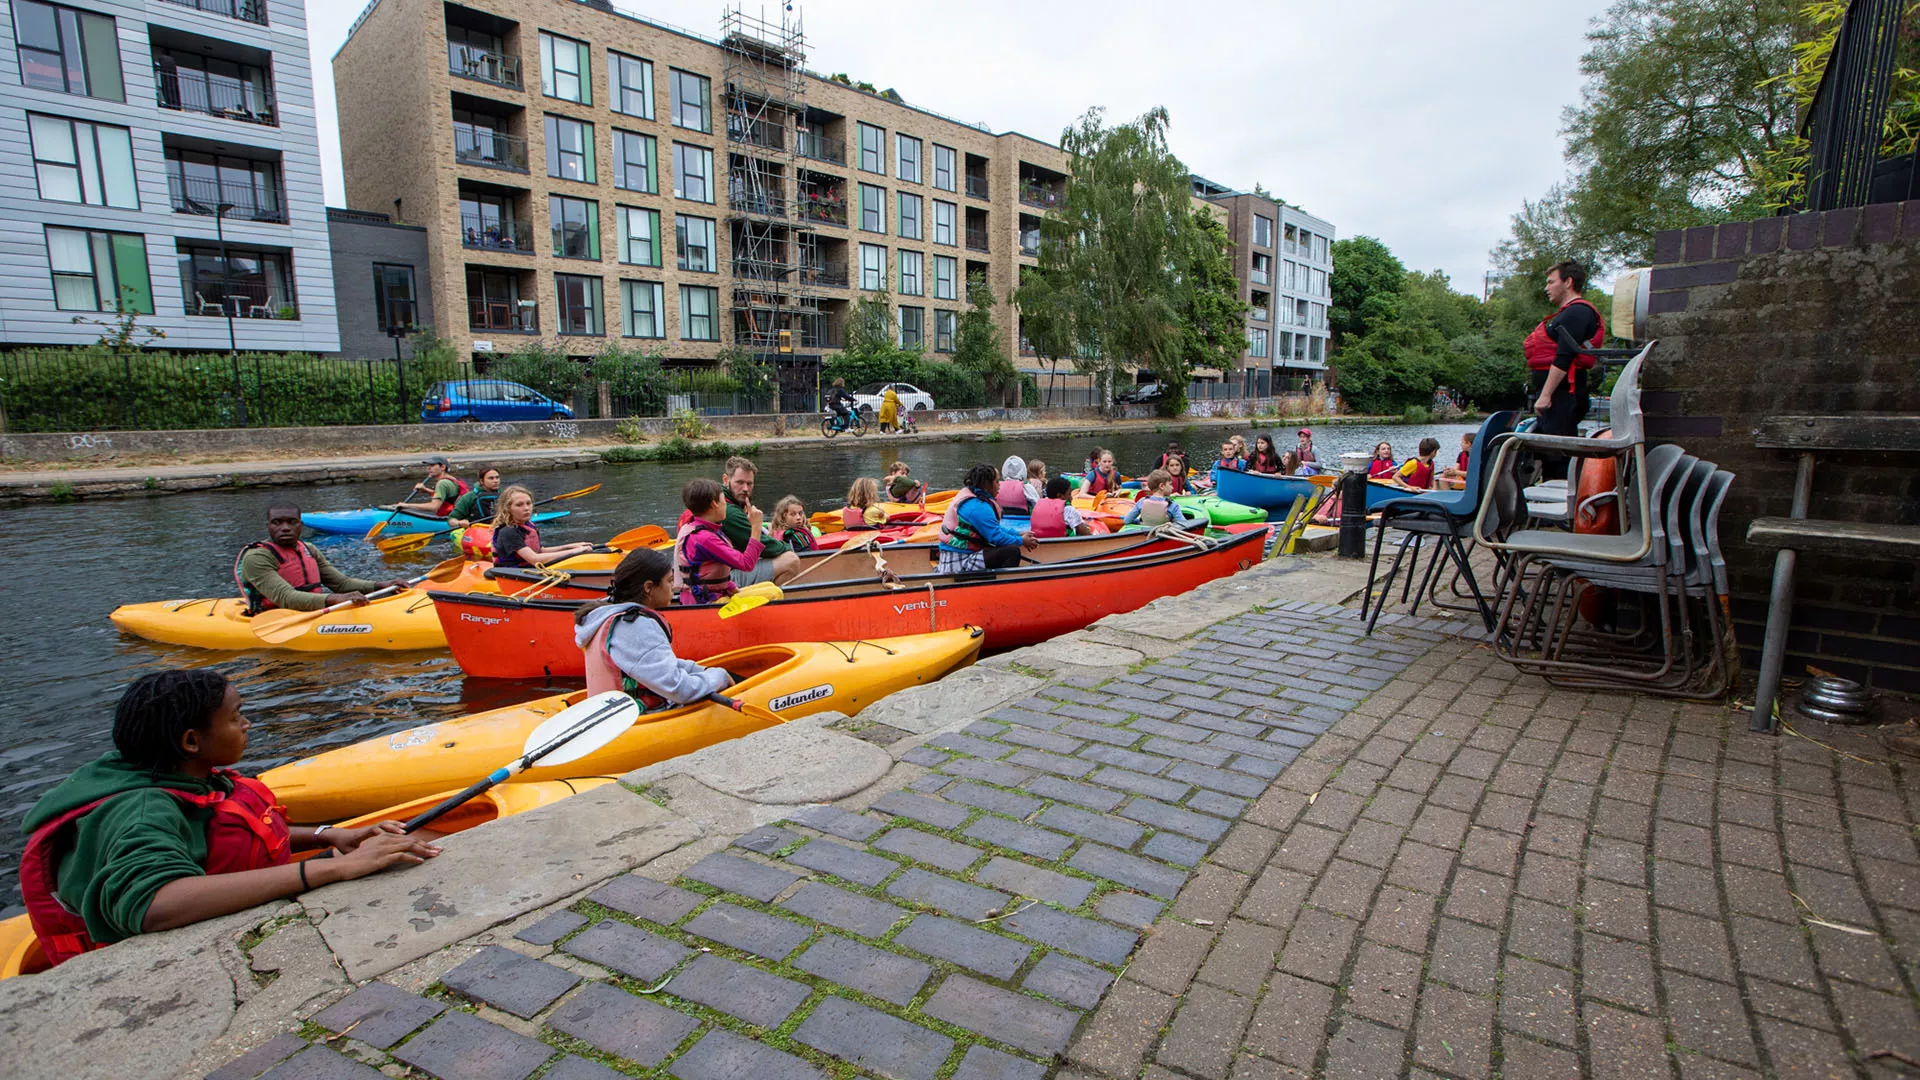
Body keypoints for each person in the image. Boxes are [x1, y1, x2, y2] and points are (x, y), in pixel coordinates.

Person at [20, 671, 437, 966]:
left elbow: (227, 833)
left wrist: (331, 835)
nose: (247, 723)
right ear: (190, 741)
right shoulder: (143, 808)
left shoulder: (185, 774)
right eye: (236, 717)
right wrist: (332, 870)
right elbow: (153, 904)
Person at [574, 548, 732, 705]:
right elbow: (679, 689)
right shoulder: (635, 626)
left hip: (610, 712)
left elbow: (657, 662)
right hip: (636, 719)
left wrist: (700, 671)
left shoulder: (606, 614)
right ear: (648, 587)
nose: (675, 587)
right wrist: (720, 677)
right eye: (669, 581)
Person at [236, 504, 409, 615]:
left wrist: (380, 585)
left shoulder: (308, 549)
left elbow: (341, 584)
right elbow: (286, 597)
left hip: (312, 612)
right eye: (277, 523)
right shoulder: (257, 557)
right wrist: (334, 599)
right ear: (268, 526)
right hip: (276, 617)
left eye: (291, 522)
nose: (285, 528)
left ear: (300, 525)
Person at [1527, 259, 1606, 448]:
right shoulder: (1568, 313)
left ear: (1568, 282)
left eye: (1551, 282)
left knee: (1556, 454)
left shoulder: (1577, 312)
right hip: (1560, 395)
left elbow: (1564, 356)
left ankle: (1562, 477)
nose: (1547, 288)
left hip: (1563, 395)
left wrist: (1546, 395)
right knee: (1544, 451)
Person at [715, 457, 800, 586]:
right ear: (726, 480)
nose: (745, 488)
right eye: (740, 482)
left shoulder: (728, 500)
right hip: (724, 579)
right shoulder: (729, 511)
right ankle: (773, 603)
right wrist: (787, 547)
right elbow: (761, 544)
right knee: (791, 560)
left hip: (722, 572)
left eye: (749, 484)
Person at [677, 478, 763, 605]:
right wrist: (756, 527)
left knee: (768, 586)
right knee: (774, 593)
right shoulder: (705, 538)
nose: (726, 506)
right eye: (724, 501)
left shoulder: (701, 528)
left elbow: (711, 571)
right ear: (714, 504)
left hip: (711, 594)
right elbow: (747, 564)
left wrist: (732, 588)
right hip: (706, 601)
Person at [939, 463, 1037, 572]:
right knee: (1012, 552)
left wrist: (1017, 534)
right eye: (996, 481)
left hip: (956, 556)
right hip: (959, 562)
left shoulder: (972, 497)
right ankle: (1001, 585)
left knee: (1003, 548)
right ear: (986, 484)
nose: (999, 485)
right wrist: (1021, 541)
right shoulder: (978, 506)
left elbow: (993, 528)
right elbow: (996, 536)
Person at [491, 485, 594, 570]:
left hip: (530, 568)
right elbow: (535, 559)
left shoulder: (528, 525)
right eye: (519, 505)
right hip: (512, 575)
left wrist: (569, 547)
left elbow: (540, 551)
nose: (526, 508)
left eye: (528, 503)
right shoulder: (508, 531)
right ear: (508, 509)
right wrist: (574, 552)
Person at [390, 456, 469, 516]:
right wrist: (427, 491)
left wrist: (406, 505)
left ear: (442, 467)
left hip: (451, 519)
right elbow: (448, 498)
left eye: (432, 465)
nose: (429, 468)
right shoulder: (452, 479)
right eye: (428, 466)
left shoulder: (442, 483)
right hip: (459, 515)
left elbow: (434, 507)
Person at [1123, 470, 1200, 530]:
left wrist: (1139, 521)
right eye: (1170, 484)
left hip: (1144, 534)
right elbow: (1184, 525)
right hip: (1163, 536)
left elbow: (1127, 520)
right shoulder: (1172, 505)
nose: (1172, 488)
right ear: (1162, 486)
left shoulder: (1141, 501)